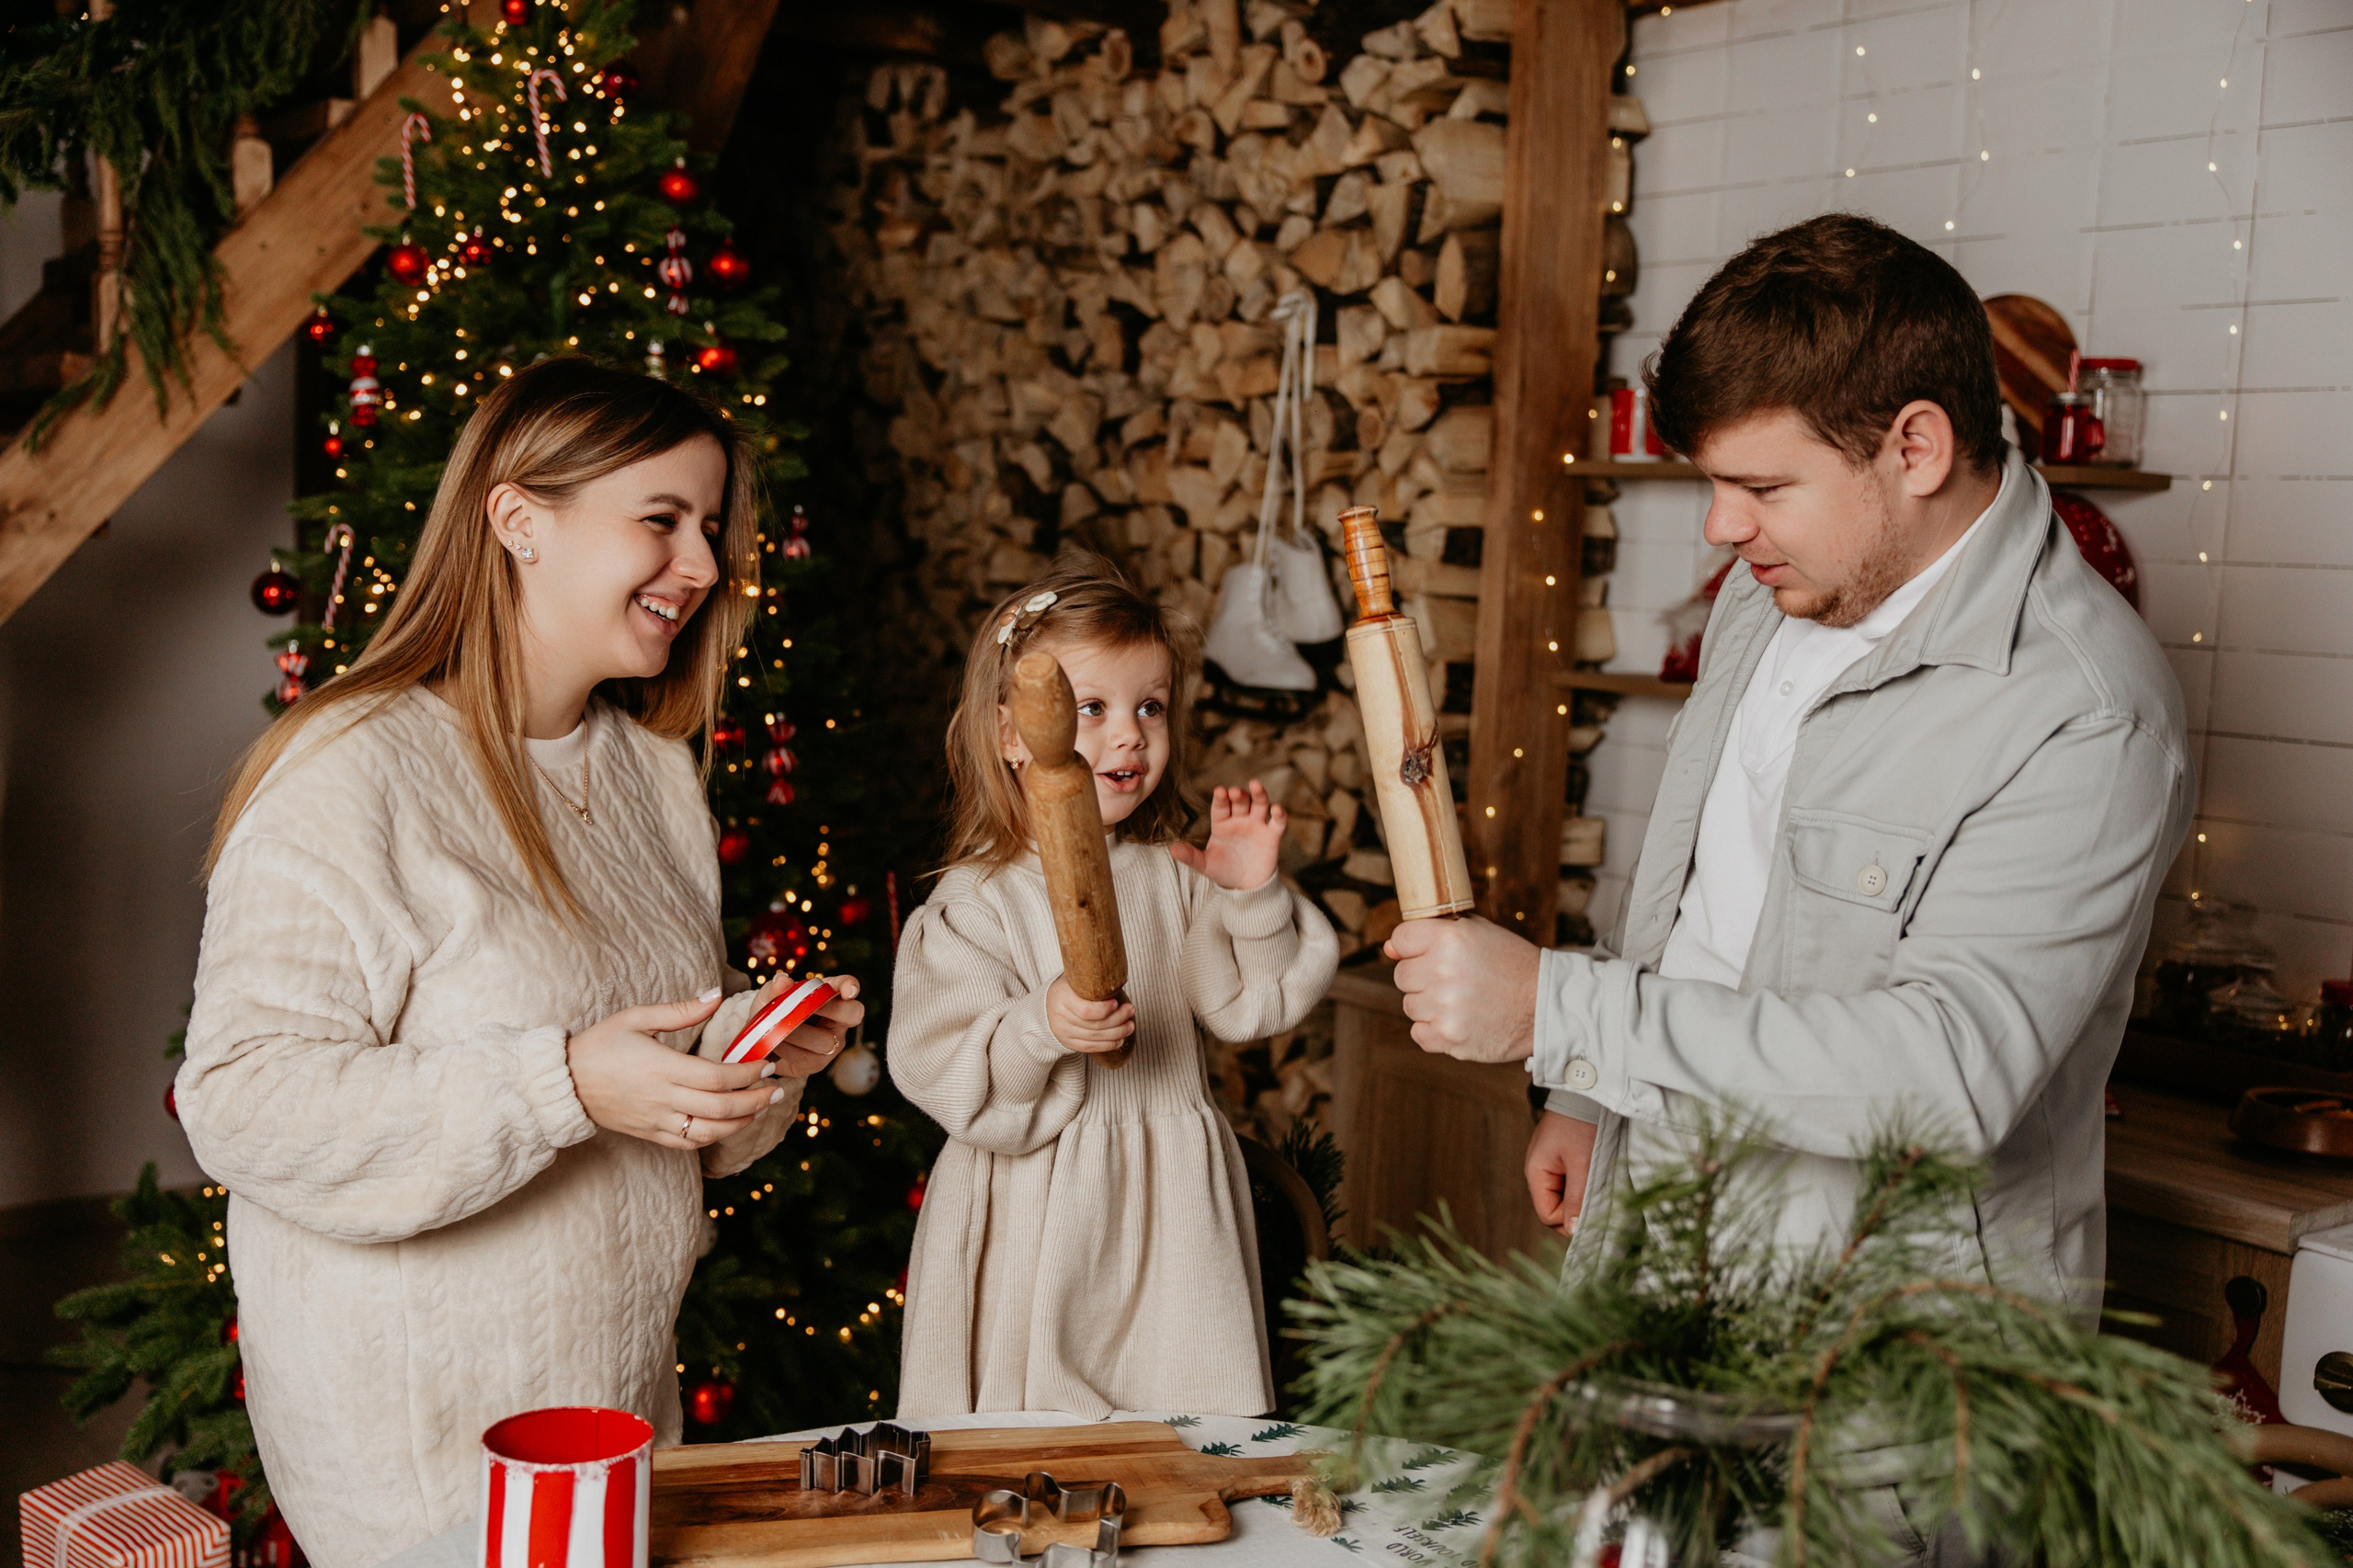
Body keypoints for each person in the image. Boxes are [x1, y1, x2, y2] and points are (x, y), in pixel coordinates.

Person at [1386, 213, 2193, 1318]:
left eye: (1763, 487)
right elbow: (1701, 890)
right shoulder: (1770, 594)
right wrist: (1586, 1095)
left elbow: (1947, 1076)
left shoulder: (2087, 710)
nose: (1721, 527)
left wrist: (1557, 1012)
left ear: (1915, 448)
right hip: (1659, 1244)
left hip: (1886, 1340)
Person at [176, 358, 864, 1568]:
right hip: (419, 1449)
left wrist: (748, 1060)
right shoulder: (352, 766)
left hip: (612, 1411)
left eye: (710, 527)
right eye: (662, 519)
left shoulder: (652, 777)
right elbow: (239, 1100)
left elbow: (656, 1106)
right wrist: (564, 1081)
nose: (704, 564)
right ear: (518, 520)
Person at [890, 555, 1337, 1419]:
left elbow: (1255, 1003)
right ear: (1013, 732)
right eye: (1091, 709)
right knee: (1039, 1440)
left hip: (1174, 1214)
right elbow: (944, 1063)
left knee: (1183, 1431)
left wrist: (1249, 896)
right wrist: (1042, 1025)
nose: (1130, 735)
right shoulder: (976, 902)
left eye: (1150, 707)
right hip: (1036, 1211)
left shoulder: (1173, 874)